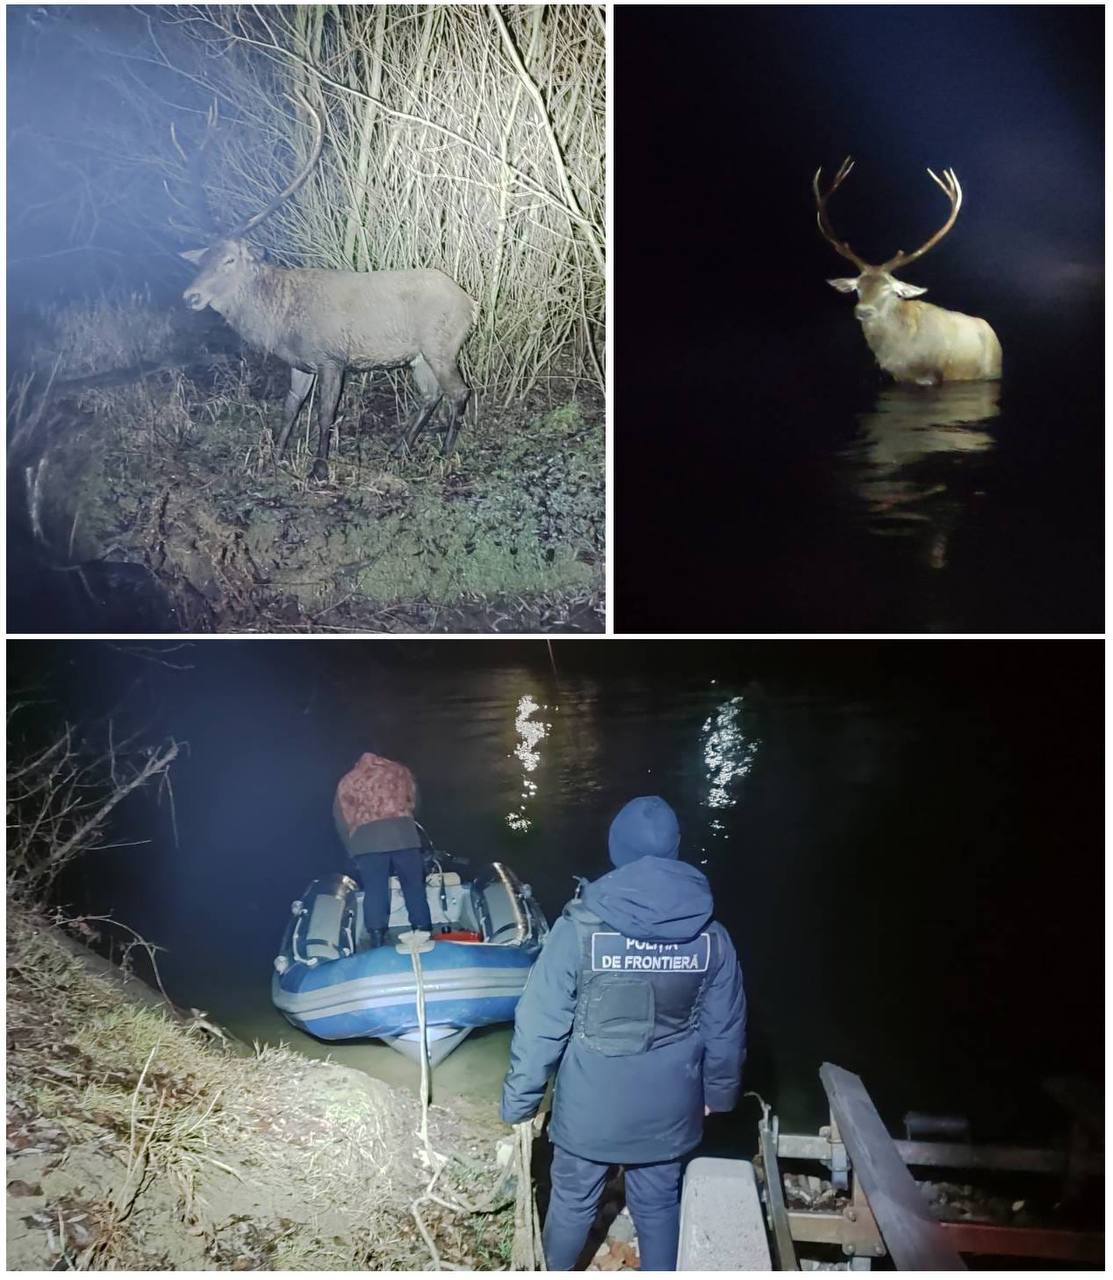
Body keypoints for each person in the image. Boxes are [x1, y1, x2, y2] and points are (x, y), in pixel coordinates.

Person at [500, 795, 746, 1272]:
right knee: (657, 1202)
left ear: (617, 851)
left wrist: (520, 1102)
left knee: (571, 1200)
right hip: (669, 1107)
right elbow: (727, 1027)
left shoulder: (579, 928)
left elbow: (539, 1023)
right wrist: (719, 1093)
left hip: (590, 1111)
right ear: (675, 849)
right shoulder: (712, 935)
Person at [333, 752, 432, 948]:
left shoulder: (348, 781)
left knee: (375, 890)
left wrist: (351, 847)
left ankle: (377, 938)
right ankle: (423, 931)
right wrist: (405, 822)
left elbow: (341, 818)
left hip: (367, 842)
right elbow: (414, 802)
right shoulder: (399, 771)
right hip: (404, 836)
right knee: (414, 887)